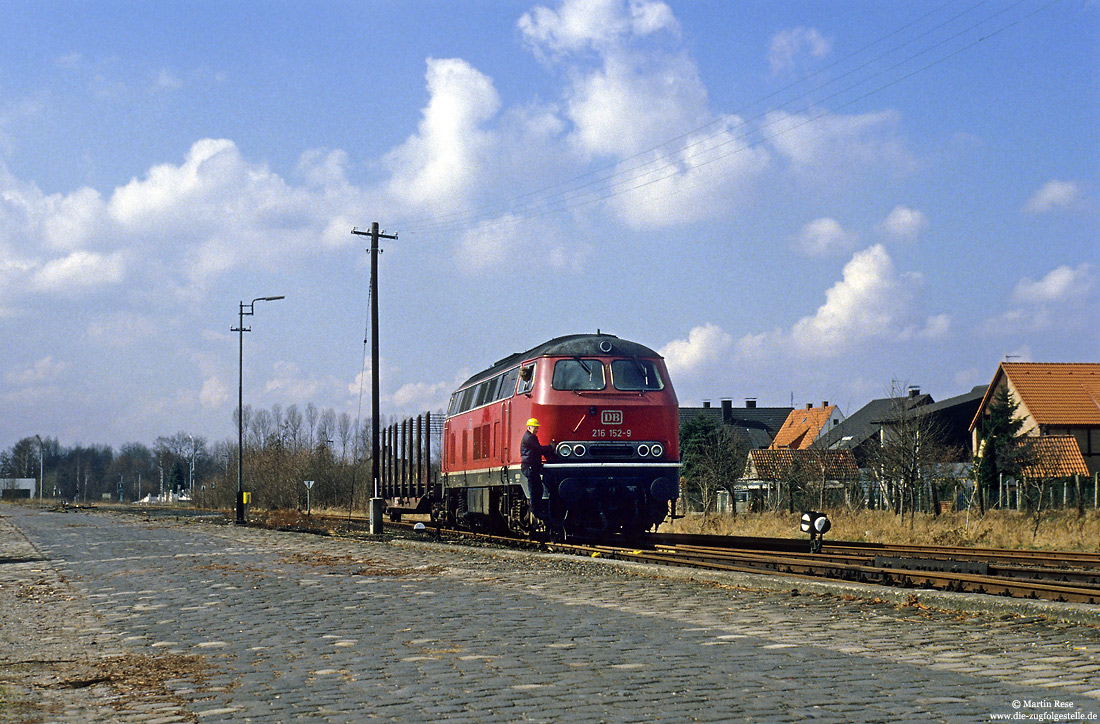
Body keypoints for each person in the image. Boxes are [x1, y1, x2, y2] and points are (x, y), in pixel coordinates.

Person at [520, 418, 554, 523]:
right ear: (529, 427)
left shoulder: (530, 437)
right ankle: (536, 511)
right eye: (535, 427)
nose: (536, 430)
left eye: (537, 428)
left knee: (537, 488)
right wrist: (550, 447)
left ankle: (538, 511)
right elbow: (538, 449)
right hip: (530, 467)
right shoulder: (529, 438)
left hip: (531, 467)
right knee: (535, 489)